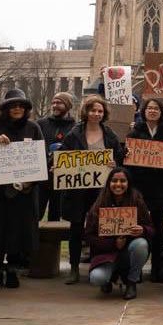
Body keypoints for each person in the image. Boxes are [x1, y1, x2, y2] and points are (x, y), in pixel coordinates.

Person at [0, 89, 43, 290]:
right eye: (13, 106)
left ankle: (13, 269)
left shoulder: (33, 128)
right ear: (6, 109)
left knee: (19, 230)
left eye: (21, 106)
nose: (17, 109)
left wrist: (30, 182)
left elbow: (40, 157)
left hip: (24, 192)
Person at [60, 95, 126, 284]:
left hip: (102, 190)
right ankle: (73, 268)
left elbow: (120, 158)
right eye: (93, 110)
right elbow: (63, 156)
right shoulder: (74, 133)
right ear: (86, 112)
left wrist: (116, 162)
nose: (96, 114)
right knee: (76, 228)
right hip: (78, 190)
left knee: (100, 228)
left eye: (100, 111)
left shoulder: (110, 134)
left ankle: (99, 265)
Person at [125, 98, 163, 282]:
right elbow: (126, 159)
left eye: (156, 108)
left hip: (161, 187)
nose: (152, 111)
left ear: (161, 112)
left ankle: (157, 269)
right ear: (144, 111)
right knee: (137, 227)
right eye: (149, 108)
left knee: (157, 229)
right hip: (140, 187)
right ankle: (137, 267)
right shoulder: (135, 132)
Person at [84, 168, 152, 299]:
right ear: (109, 183)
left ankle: (132, 282)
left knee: (141, 244)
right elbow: (88, 235)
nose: (118, 184)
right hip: (106, 255)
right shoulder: (100, 203)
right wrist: (113, 244)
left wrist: (142, 230)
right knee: (96, 278)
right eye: (114, 181)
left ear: (128, 183)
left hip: (129, 252)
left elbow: (151, 228)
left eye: (123, 181)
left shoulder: (137, 200)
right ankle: (109, 278)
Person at [37, 92, 77, 223]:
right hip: (41, 178)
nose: (55, 105)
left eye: (59, 103)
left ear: (67, 105)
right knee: (34, 215)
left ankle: (52, 244)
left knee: (55, 218)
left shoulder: (75, 128)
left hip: (61, 180)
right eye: (53, 102)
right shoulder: (40, 124)